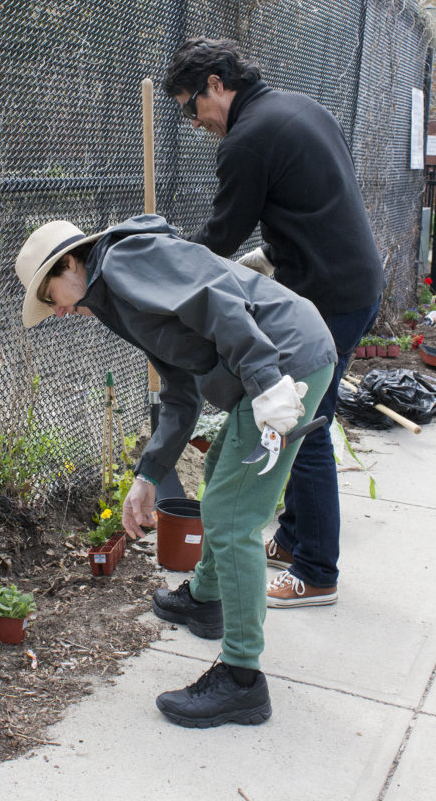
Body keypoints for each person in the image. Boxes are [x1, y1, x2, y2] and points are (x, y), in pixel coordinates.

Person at [15, 213, 335, 728]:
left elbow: (213, 297)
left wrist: (265, 378)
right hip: (274, 360)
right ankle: (206, 600)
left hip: (283, 360)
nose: (58, 312)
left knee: (233, 518)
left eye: (51, 297)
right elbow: (181, 391)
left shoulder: (123, 260)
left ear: (70, 264)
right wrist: (148, 473)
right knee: (218, 468)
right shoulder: (116, 299)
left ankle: (241, 680)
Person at [163, 38, 384, 608]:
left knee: (297, 424)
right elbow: (310, 204)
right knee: (307, 415)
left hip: (327, 296)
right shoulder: (299, 107)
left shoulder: (247, 139)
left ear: (217, 83)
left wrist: (165, 274)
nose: (196, 123)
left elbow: (218, 238)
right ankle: (291, 540)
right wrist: (274, 254)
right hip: (354, 283)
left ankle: (316, 571)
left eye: (192, 108)